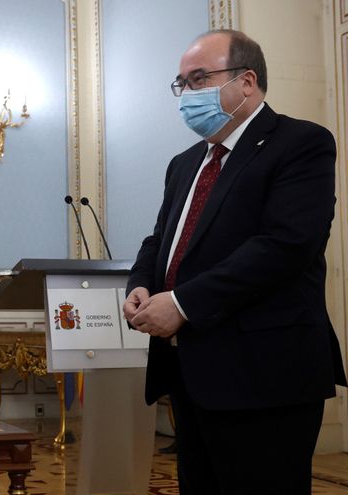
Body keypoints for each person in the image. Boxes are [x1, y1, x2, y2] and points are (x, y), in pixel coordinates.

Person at [123, 29, 347, 494]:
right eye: (181, 83)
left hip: (265, 375)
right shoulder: (185, 163)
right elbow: (160, 240)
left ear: (246, 81)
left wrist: (181, 304)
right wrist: (141, 286)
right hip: (192, 375)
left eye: (200, 78)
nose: (187, 93)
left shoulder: (301, 143)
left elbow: (285, 246)